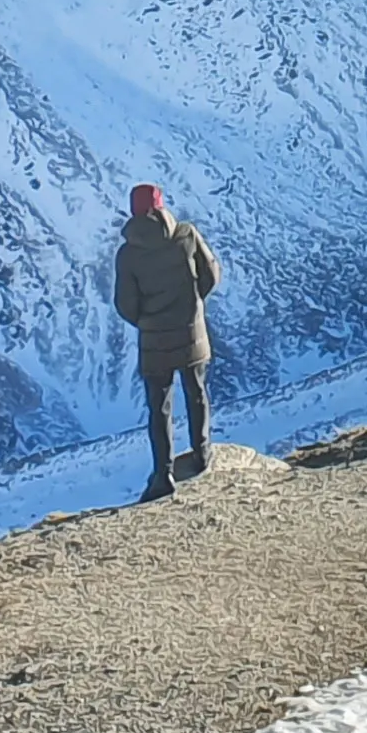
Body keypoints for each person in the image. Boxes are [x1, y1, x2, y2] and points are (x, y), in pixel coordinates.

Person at [110, 181, 221, 501]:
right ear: (161, 205)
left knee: (159, 408)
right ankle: (201, 454)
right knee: (197, 392)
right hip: (191, 331)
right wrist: (193, 305)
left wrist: (148, 322)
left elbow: (125, 304)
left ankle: (163, 474)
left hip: (154, 341)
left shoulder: (128, 253)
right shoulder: (186, 234)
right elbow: (211, 274)